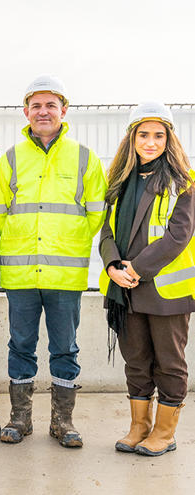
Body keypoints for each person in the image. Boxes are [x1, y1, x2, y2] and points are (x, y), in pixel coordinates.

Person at [0, 75, 107, 448]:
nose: (43, 112)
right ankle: (20, 418)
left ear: (63, 111)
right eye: (36, 106)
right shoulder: (11, 158)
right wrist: (22, 241)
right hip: (21, 272)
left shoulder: (84, 157)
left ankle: (62, 421)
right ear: (26, 112)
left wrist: (68, 243)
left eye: (50, 105)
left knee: (65, 348)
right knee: (20, 345)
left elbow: (96, 214)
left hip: (64, 274)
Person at [99, 102, 195, 457]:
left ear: (169, 139)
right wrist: (112, 266)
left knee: (169, 363)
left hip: (165, 292)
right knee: (136, 361)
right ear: (132, 138)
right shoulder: (118, 182)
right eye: (144, 135)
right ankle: (139, 426)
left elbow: (178, 235)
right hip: (125, 290)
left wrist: (136, 269)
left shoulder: (182, 182)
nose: (150, 142)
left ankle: (165, 432)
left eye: (159, 135)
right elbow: (105, 231)